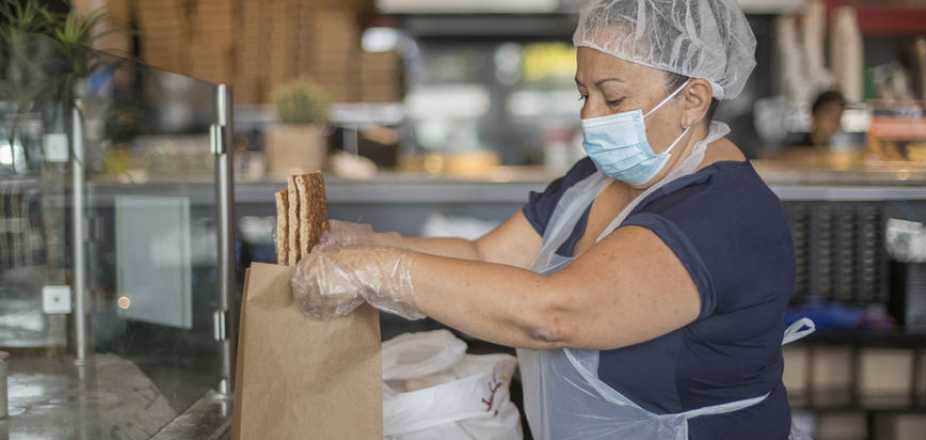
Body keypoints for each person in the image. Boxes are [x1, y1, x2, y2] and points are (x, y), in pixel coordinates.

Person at [292, 1, 813, 438]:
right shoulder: (596, 179)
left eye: (614, 97)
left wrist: (381, 271)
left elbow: (554, 313)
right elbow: (485, 256)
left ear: (693, 100)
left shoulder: (723, 212)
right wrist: (367, 244)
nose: (589, 116)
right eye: (584, 94)